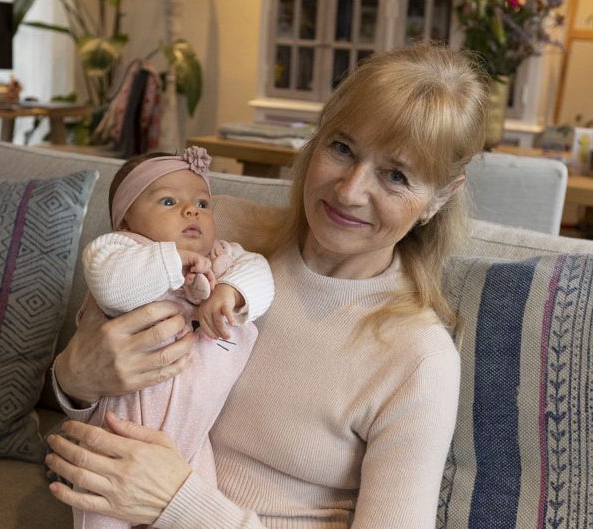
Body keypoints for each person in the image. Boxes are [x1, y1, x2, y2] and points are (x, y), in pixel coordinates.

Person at [46, 43, 488, 528]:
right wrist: (73, 378)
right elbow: (100, 381)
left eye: (396, 176)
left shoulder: (420, 359)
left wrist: (179, 504)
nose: (349, 191)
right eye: (342, 148)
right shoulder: (218, 231)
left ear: (439, 197)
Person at [68, 146, 274, 529]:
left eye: (202, 203)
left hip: (192, 444)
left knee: (193, 512)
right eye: (169, 201)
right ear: (125, 220)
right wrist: (171, 261)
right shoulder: (119, 251)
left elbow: (261, 274)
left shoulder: (226, 260)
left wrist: (231, 292)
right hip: (116, 438)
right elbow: (111, 287)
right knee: (101, 512)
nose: (192, 211)